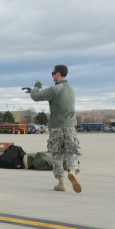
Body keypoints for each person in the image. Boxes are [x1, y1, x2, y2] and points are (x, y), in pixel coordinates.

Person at [23, 65, 82, 193]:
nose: (52, 76)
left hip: (57, 127)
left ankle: (61, 183)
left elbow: (36, 96)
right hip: (70, 126)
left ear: (58, 74)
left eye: (53, 73)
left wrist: (35, 88)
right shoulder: (72, 90)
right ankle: (72, 171)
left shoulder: (55, 88)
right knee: (72, 152)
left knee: (57, 155)